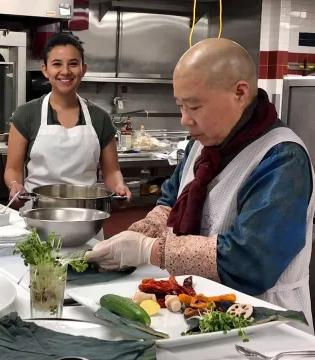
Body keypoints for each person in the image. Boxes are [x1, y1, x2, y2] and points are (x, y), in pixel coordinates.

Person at [86, 38, 315, 332]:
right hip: (201, 312)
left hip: (267, 325)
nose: (185, 120)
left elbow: (250, 261)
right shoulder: (204, 144)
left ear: (239, 93)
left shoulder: (282, 159)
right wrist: (135, 235)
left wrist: (149, 250)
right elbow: (170, 198)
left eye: (194, 106)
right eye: (180, 105)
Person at [4, 32, 130, 201]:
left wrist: (118, 186)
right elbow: (13, 169)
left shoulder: (100, 118)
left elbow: (112, 171)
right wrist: (15, 185)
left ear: (83, 70)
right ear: (45, 70)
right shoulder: (26, 114)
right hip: (37, 212)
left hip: (87, 214)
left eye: (73, 64)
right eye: (57, 64)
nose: (65, 71)